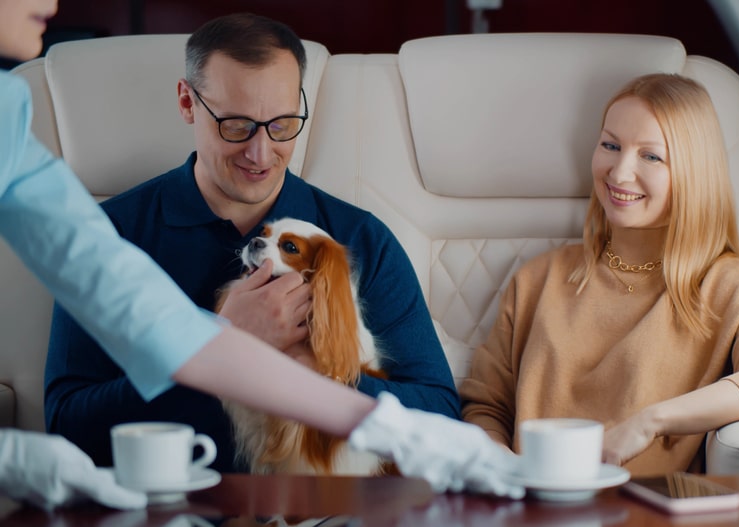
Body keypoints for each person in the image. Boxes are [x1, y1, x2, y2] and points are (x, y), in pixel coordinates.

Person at [0, 0, 521, 511]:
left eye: (282, 124)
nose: (261, 152)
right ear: (187, 104)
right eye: (236, 126)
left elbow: (435, 407)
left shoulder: (356, 242)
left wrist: (318, 368)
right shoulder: (114, 230)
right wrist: (230, 334)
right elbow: (71, 423)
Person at [460, 73, 739, 476]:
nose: (618, 173)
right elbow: (485, 405)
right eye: (610, 145)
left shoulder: (733, 287)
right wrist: (501, 465)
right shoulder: (537, 279)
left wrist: (651, 422)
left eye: (650, 156)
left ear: (693, 172)